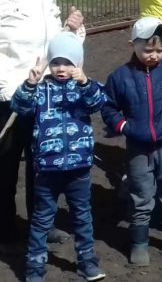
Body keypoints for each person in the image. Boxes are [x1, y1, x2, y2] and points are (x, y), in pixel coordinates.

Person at [0, 0, 85, 247]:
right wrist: (9, 87)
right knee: (6, 166)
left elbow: (54, 48)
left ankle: (42, 224)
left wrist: (71, 30)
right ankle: (4, 229)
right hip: (8, 94)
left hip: (44, 94)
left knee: (42, 165)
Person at [12, 32, 107, 282]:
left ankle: (88, 263)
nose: (61, 68)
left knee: (82, 216)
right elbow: (19, 107)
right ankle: (34, 268)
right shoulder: (41, 90)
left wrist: (85, 82)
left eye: (68, 63)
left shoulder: (84, 89)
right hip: (47, 169)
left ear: (79, 64)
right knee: (42, 218)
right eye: (55, 62)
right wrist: (30, 83)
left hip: (79, 168)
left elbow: (99, 103)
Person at [101, 18, 162, 266]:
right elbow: (108, 108)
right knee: (140, 194)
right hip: (138, 146)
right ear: (133, 45)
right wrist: (123, 126)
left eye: (159, 50)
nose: (154, 55)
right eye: (147, 50)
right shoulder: (120, 77)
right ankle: (139, 243)